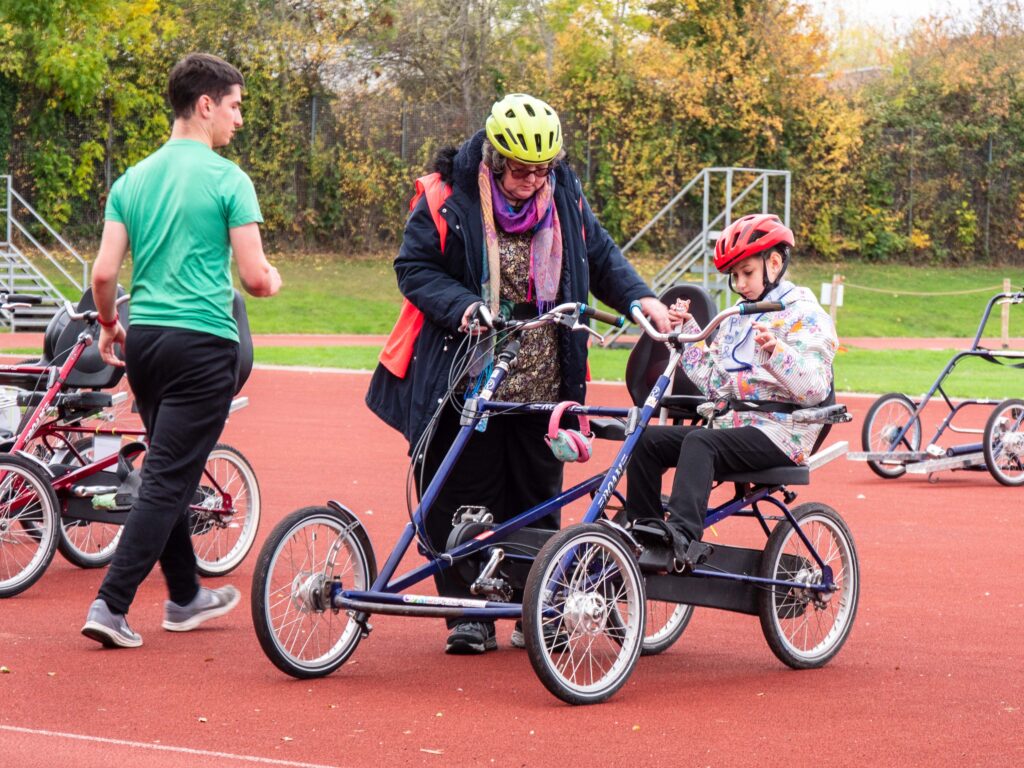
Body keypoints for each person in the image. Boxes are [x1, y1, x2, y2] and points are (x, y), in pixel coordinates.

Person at [366, 93, 671, 654]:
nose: (531, 180)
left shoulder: (565, 196)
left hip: (545, 381)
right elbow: (413, 268)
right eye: (520, 170)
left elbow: (601, 259)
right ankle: (468, 613)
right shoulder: (447, 196)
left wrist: (641, 300)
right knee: (462, 492)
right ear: (495, 158)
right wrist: (461, 304)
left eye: (541, 170)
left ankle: (536, 607)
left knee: (535, 495)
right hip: (469, 374)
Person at [81, 53, 282, 648]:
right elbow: (254, 279)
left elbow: (102, 273)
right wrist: (274, 278)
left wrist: (110, 324)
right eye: (235, 106)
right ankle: (111, 606)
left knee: (171, 467)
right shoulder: (229, 179)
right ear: (205, 106)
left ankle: (186, 595)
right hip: (203, 346)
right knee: (169, 477)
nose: (238, 119)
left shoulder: (132, 180)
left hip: (146, 344)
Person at [626, 213, 837, 567]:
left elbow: (815, 388)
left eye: (747, 273)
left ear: (774, 262)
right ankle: (644, 531)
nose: (739, 284)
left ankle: (680, 537)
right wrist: (689, 333)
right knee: (645, 440)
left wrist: (776, 353)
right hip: (735, 427)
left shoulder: (806, 315)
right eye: (734, 276)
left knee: (699, 441)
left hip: (783, 431)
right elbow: (716, 386)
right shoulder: (737, 317)